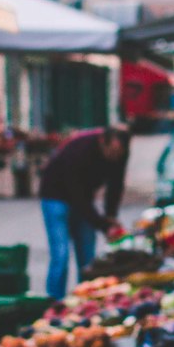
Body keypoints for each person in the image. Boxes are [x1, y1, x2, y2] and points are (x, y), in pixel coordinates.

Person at [37, 125, 130, 299]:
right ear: (103, 142)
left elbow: (115, 184)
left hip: (83, 198)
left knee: (88, 257)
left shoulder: (121, 153)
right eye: (111, 152)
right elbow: (77, 196)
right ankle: (54, 301)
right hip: (56, 195)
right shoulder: (80, 150)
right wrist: (103, 225)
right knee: (61, 255)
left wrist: (111, 217)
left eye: (118, 154)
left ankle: (85, 298)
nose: (114, 158)